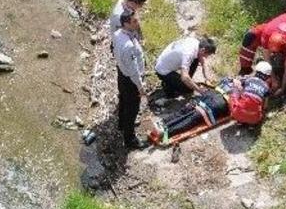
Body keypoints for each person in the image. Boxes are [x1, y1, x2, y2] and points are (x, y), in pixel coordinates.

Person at [150, 62, 273, 145]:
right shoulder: (260, 86)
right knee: (194, 118)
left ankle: (163, 123)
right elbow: (255, 102)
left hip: (213, 93)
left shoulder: (243, 79)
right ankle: (166, 132)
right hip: (220, 102)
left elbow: (231, 82)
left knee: (189, 108)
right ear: (267, 76)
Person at [238, 11, 286, 96]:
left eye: (275, 51)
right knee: (249, 38)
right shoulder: (267, 32)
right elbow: (267, 58)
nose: (272, 52)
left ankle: (284, 76)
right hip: (278, 22)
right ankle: (245, 69)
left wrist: (282, 88)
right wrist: (273, 79)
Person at [113, 11, 148, 149]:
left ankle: (121, 125)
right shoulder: (128, 46)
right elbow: (134, 71)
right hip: (131, 81)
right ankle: (130, 140)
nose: (137, 22)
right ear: (125, 23)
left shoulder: (117, 34)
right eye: (134, 21)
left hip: (122, 74)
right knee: (132, 110)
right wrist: (140, 87)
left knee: (123, 100)